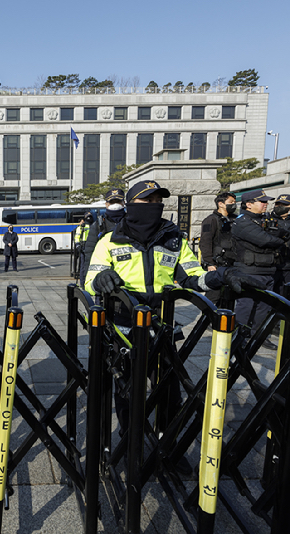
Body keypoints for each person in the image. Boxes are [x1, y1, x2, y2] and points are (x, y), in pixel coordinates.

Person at [84, 180, 260, 474]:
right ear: (130, 205)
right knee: (127, 390)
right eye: (146, 200)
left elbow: (193, 276)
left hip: (161, 324)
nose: (154, 205)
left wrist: (220, 277)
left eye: (158, 199)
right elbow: (91, 278)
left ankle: (169, 448)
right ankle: (130, 445)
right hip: (125, 327)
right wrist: (101, 280)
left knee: (170, 390)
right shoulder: (109, 241)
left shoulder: (173, 238)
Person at [232, 189, 290, 350]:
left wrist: (278, 236)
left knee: (264, 306)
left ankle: (258, 335)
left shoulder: (264, 219)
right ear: (249, 205)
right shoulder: (242, 221)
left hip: (267, 270)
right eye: (262, 201)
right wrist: (279, 237)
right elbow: (265, 240)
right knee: (246, 305)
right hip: (249, 270)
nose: (266, 204)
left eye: (266, 202)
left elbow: (282, 233)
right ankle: (238, 337)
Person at [81, 188, 126, 288]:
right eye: (112, 202)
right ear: (106, 204)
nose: (115, 205)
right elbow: (89, 254)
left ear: (124, 203)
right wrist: (86, 281)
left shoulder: (131, 223)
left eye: (118, 201)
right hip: (104, 280)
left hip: (126, 279)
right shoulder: (98, 225)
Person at [198, 192, 238, 305]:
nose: (234, 205)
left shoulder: (235, 219)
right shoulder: (210, 220)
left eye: (234, 202)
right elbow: (205, 243)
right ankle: (207, 319)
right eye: (231, 202)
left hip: (233, 263)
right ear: (220, 204)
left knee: (229, 296)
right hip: (217, 263)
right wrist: (209, 262)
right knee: (214, 295)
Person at [272, 194, 290, 294]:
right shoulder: (268, 220)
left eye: (284, 205)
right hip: (273, 265)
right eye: (278, 205)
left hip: (288, 265)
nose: (280, 207)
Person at [74, 212, 94, 286]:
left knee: (87, 266)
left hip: (88, 248)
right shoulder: (83, 227)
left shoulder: (92, 226)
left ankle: (86, 283)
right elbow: (77, 237)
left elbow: (76, 237)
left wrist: (77, 245)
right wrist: (78, 245)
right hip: (84, 248)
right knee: (83, 267)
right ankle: (83, 284)